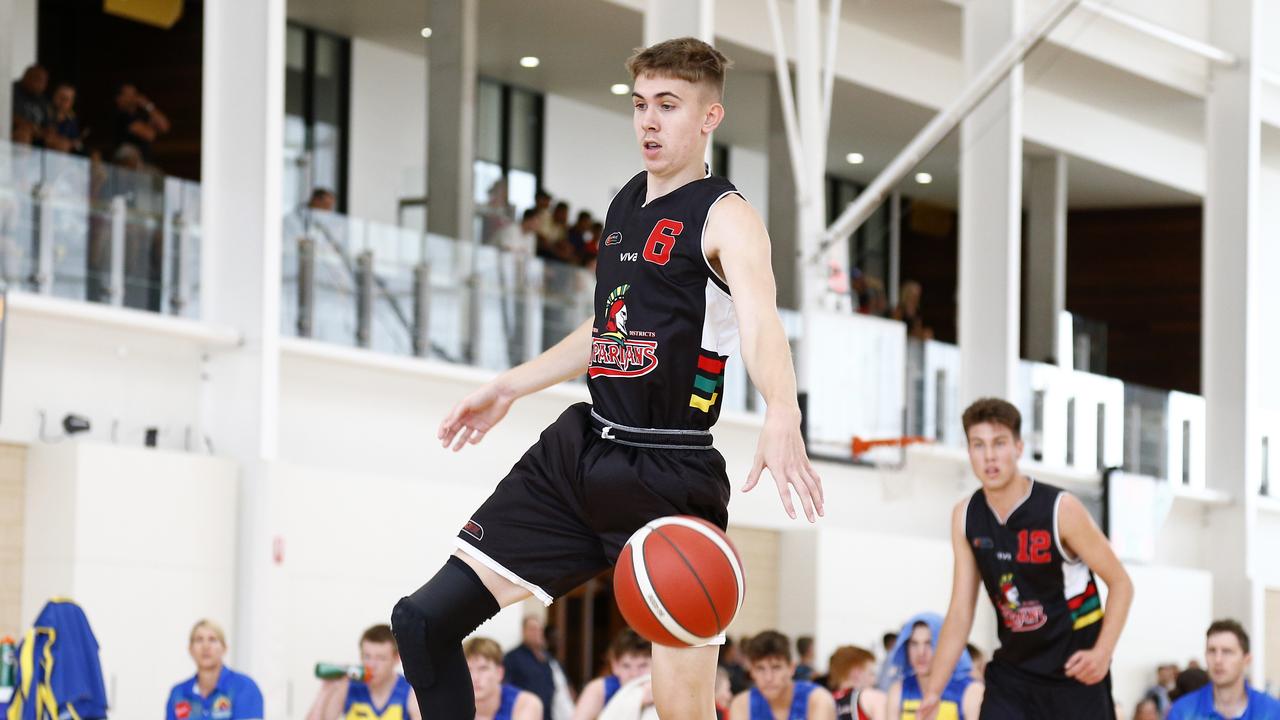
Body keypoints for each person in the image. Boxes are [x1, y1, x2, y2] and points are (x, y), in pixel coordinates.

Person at [389, 36, 824, 720]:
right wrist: (510, 386)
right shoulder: (625, 205)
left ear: (709, 116)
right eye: (640, 104)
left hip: (671, 472)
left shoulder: (728, 217)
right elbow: (605, 330)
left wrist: (782, 411)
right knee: (421, 621)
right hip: (582, 451)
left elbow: (762, 322)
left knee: (682, 712)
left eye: (668, 106)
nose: (649, 121)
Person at [918, 398, 1135, 720]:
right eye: (978, 445)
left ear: (1018, 448)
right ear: (969, 452)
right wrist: (934, 690)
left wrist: (1103, 653)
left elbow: (1121, 584)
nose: (989, 455)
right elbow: (961, 611)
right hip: (1014, 675)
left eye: (999, 443)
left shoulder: (1061, 509)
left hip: (1074, 673)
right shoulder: (965, 516)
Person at [1167, 620, 1280, 720]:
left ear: (1246, 659)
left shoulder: (1271, 712)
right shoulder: (1183, 711)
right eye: (1212, 651)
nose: (1217, 660)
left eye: (1227, 651)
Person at [304, 624, 419, 720]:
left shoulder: (409, 690)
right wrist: (325, 690)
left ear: (396, 658)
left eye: (381, 658)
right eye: (367, 657)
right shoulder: (349, 686)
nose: (372, 665)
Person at [886, 615, 981, 719]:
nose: (921, 652)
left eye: (929, 643)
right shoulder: (898, 691)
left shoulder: (971, 691)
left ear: (945, 646)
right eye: (914, 643)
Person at [166, 619, 264, 720]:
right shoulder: (178, 693)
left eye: (212, 639)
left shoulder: (243, 687)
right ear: (190, 649)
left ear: (224, 648)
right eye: (199, 640)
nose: (206, 646)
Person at [729, 631, 836, 720]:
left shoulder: (817, 700)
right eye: (760, 668)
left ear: (791, 668)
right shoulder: (742, 704)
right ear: (751, 671)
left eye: (776, 667)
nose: (768, 678)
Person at [573, 629, 653, 719]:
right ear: (615, 666)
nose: (634, 674)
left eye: (643, 665)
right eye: (626, 666)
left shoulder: (662, 690)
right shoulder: (599, 690)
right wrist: (638, 700)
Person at [469, 637, 545, 720]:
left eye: (483, 669)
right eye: (468, 670)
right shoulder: (456, 704)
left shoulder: (526, 703)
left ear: (499, 673)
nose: (474, 677)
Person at [503, 616, 558, 720]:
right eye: (533, 629)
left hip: (547, 714)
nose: (537, 632)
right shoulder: (511, 657)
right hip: (525, 714)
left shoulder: (546, 657)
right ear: (523, 631)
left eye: (540, 629)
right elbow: (506, 688)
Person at [113, 82, 170, 161]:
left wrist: (148, 106)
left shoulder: (141, 115)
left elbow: (164, 127)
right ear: (119, 98)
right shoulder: (121, 116)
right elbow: (148, 135)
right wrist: (152, 128)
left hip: (144, 162)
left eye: (134, 94)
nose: (132, 98)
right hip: (127, 167)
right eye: (128, 95)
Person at [826, 646, 887, 720]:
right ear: (856, 672)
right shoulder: (872, 697)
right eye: (871, 673)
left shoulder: (824, 702)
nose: (874, 680)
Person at [11, 65, 50, 142]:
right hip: (14, 132)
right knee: (23, 135)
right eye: (39, 80)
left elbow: (47, 124)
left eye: (44, 81)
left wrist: (46, 132)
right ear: (27, 77)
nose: (42, 85)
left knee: (59, 143)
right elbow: (8, 116)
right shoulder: (13, 90)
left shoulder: (42, 99)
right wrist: (28, 125)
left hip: (36, 134)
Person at [48, 83, 85, 154]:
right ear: (54, 96)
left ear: (72, 102)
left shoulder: (71, 119)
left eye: (67, 99)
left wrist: (71, 144)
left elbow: (77, 143)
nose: (63, 101)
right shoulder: (43, 111)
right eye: (61, 97)